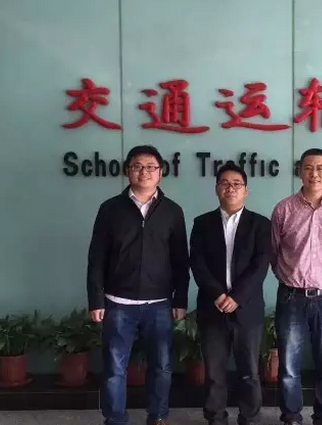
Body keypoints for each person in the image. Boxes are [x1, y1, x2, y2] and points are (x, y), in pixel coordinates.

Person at [87, 145, 189, 425]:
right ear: (128, 171)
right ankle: (115, 419)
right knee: (114, 369)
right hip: (118, 302)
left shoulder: (172, 211)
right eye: (137, 166)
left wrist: (181, 299)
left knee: (162, 366)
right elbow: (96, 257)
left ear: (161, 172)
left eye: (151, 167)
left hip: (159, 303)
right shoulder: (110, 209)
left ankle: (158, 417)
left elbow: (181, 259)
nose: (144, 172)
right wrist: (96, 299)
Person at [271, 148, 322, 425]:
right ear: (299, 172)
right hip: (291, 296)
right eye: (308, 167)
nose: (314, 173)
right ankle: (291, 417)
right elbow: (274, 252)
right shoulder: (283, 209)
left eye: (319, 168)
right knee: (288, 366)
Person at [190, 163, 271, 425]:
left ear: (246, 190)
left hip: (247, 309)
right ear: (217, 189)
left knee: (249, 373)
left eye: (237, 184)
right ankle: (216, 418)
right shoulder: (202, 223)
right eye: (225, 183)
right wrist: (217, 294)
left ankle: (250, 418)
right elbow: (197, 264)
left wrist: (237, 297)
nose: (231, 188)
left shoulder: (260, 224)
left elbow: (261, 265)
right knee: (214, 373)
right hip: (212, 308)